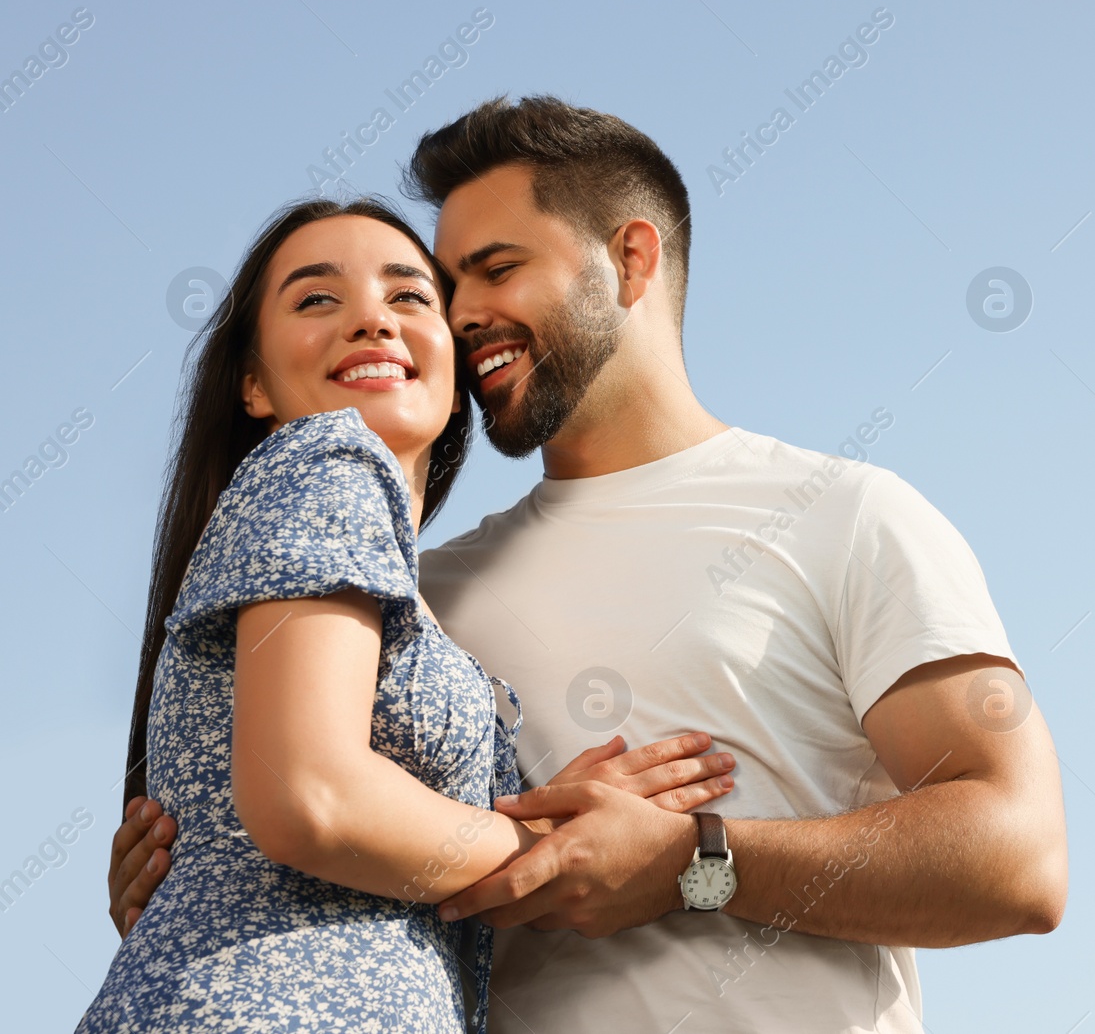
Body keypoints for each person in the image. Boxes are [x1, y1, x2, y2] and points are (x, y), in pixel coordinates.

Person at [112, 96, 1069, 1033]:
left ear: (631, 257)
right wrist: (194, 873)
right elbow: (311, 810)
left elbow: (1018, 856)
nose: (463, 314)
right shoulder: (417, 602)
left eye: (496, 270)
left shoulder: (847, 516)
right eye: (447, 290)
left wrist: (699, 863)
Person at [86, 197, 735, 1033]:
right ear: (251, 382)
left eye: (408, 298)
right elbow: (310, 794)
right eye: (317, 298)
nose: (370, 320)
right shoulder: (329, 457)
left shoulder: (387, 576)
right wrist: (555, 849)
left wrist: (541, 811)